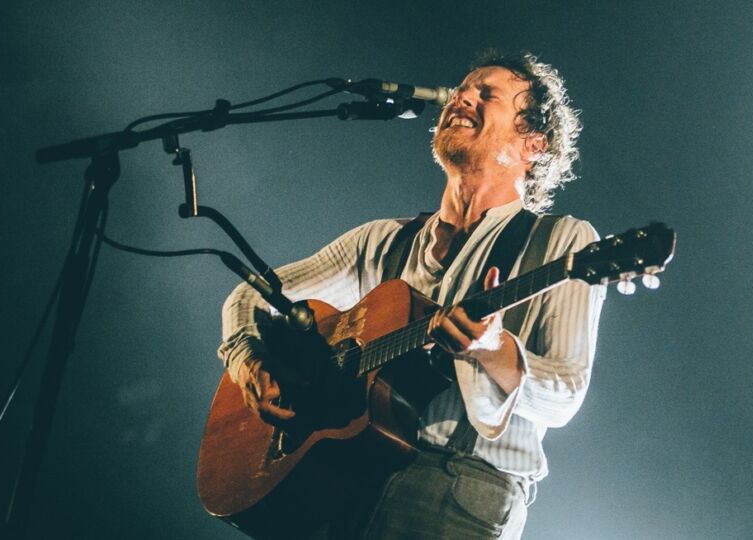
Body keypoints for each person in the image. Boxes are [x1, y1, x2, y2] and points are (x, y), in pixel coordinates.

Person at [218, 50, 607, 539]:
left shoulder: (563, 242)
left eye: (487, 94)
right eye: (464, 88)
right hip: (346, 475)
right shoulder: (383, 240)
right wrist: (247, 361)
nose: (462, 96)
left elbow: (565, 397)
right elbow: (251, 296)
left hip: (459, 495)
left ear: (534, 144)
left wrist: (491, 349)